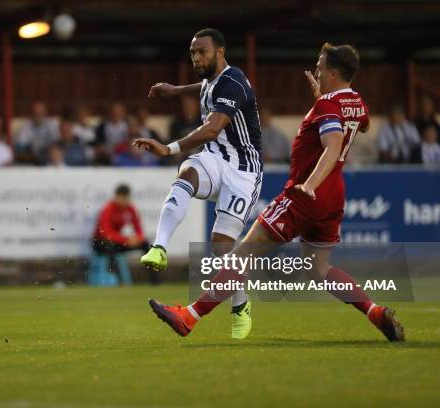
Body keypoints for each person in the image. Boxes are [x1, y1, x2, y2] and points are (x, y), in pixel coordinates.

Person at [147, 43, 405, 343]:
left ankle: (188, 317)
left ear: (333, 73)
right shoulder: (356, 102)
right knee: (320, 268)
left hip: (305, 194)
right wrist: (325, 101)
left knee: (241, 256)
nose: (317, 70)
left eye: (321, 66)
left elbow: (333, 146)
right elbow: (361, 126)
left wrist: (309, 184)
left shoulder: (326, 106)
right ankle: (373, 311)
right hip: (334, 196)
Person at [133, 28, 263, 339]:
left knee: (222, 247)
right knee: (186, 174)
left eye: (202, 51)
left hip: (244, 171)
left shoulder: (234, 82)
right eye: (193, 53)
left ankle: (241, 304)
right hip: (215, 159)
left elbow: (211, 129)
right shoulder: (213, 80)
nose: (196, 57)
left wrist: (169, 147)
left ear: (220, 52)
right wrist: (177, 90)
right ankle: (159, 247)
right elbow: (204, 85)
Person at [92, 184, 153, 283]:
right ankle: (118, 281)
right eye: (122, 198)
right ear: (116, 197)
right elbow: (106, 233)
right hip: (99, 243)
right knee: (109, 246)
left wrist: (137, 239)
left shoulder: (130, 209)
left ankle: (154, 280)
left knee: (145, 244)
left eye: (126, 198)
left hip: (118, 242)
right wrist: (126, 240)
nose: (124, 201)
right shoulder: (108, 209)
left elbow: (139, 230)